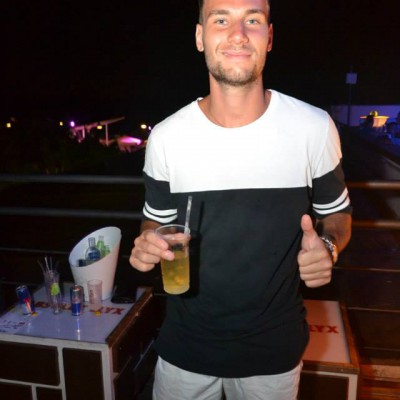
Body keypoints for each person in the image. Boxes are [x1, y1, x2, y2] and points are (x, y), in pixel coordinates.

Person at [130, 0, 352, 398]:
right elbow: (155, 221)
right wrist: (149, 241)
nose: (238, 34)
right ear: (200, 37)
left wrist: (329, 247)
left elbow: (338, 215)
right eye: (221, 19)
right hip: (184, 348)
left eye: (252, 19)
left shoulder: (313, 127)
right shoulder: (166, 137)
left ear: (269, 36)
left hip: (273, 353)